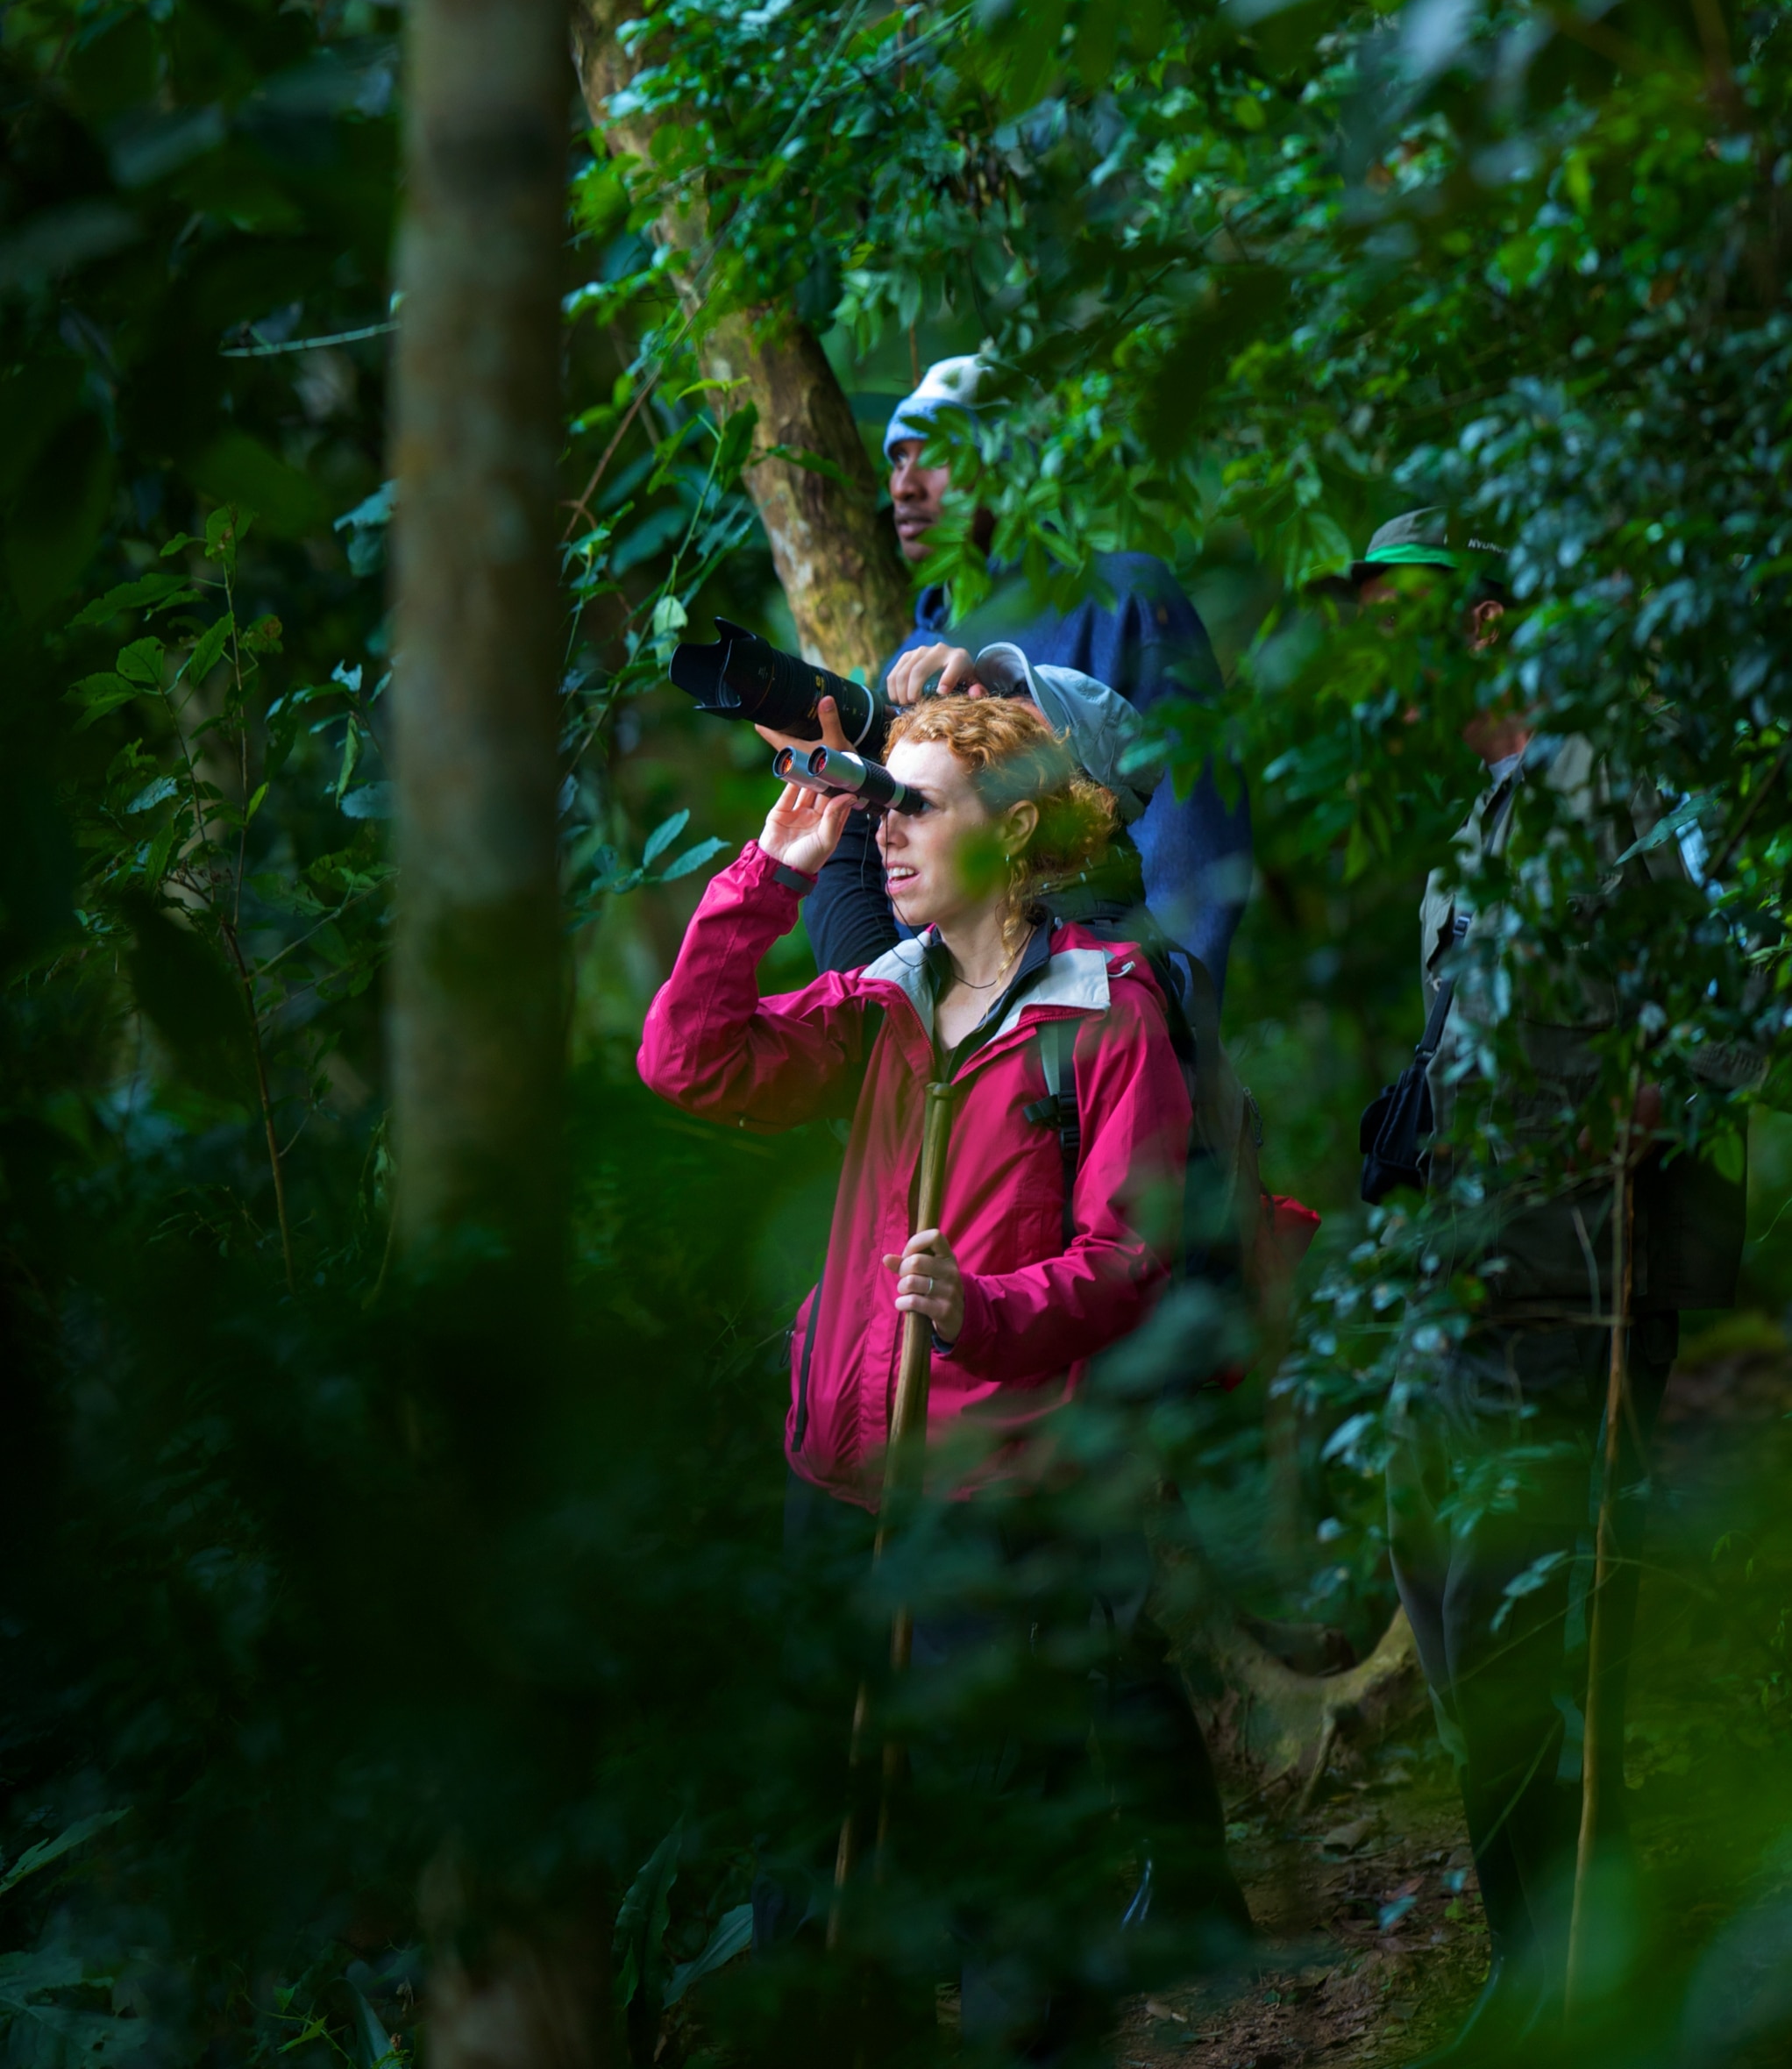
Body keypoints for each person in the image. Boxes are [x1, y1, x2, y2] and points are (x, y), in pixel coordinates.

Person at [637, 692, 1253, 2046]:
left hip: (995, 1509)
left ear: (1016, 827)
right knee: (817, 1869)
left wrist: (985, 1311)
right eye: (883, 805)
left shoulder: (1107, 1010)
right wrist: (770, 873)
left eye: (914, 807)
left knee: (999, 1884)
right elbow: (685, 1061)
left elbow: (1130, 1252)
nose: (885, 834)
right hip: (839, 1492)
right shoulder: (882, 1003)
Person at [1351, 511, 1754, 2059]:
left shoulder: (1611, 776)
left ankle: (1575, 1987)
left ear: (1482, 623)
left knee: (1544, 1634)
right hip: (1460, 1289)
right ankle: (1547, 1957)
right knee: (1446, 1604)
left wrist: (1667, 1083)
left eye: (1398, 613)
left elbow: (1746, 975)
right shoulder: (1468, 827)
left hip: (1582, 1284)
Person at [802, 357, 1253, 998]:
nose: (903, 485)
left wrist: (1175, 1014)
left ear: (1009, 459)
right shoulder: (911, 656)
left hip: (1113, 1026)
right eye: (897, 459)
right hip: (968, 1048)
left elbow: (1194, 837)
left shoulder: (1119, 598)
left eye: (935, 453)